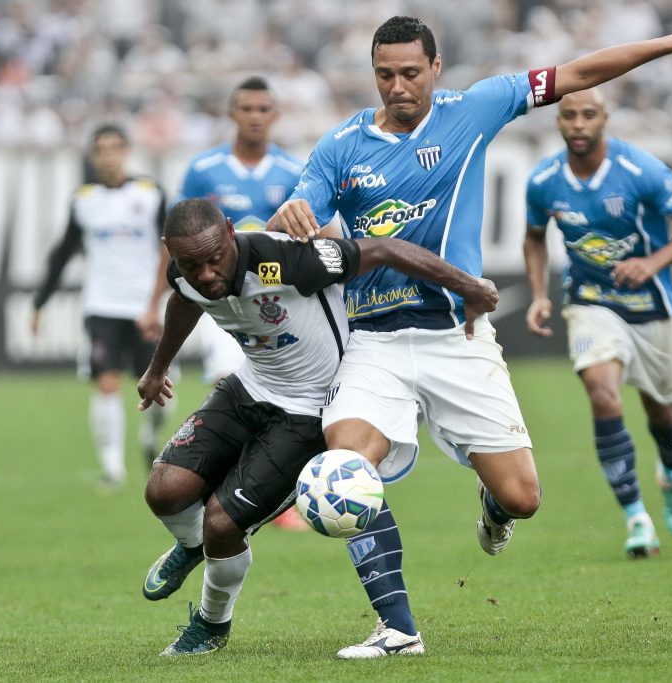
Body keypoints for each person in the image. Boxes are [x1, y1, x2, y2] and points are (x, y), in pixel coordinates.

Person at [270, 15, 672, 657]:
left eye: (410, 73)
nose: (398, 86)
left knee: (523, 498)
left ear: (435, 68)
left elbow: (580, 72)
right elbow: (288, 231)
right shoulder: (341, 147)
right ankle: (398, 629)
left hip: (457, 338)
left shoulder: (477, 107)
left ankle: (493, 503)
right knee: (346, 471)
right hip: (373, 342)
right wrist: (290, 219)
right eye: (385, 75)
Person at [136, 198, 498, 656]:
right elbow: (184, 301)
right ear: (170, 252)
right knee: (162, 491)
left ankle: (211, 625)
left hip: (310, 410)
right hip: (249, 386)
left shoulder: (288, 260)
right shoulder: (184, 274)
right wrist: (157, 367)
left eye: (214, 259)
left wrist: (469, 286)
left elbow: (383, 249)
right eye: (191, 264)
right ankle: (193, 546)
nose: (206, 274)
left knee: (223, 524)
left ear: (230, 232)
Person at [523, 88, 672, 557]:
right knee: (603, 393)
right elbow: (533, 238)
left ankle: (671, 471)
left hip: (650, 305)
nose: (579, 125)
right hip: (590, 302)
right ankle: (636, 518)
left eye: (589, 115)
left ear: (605, 118)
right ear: (559, 123)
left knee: (662, 411)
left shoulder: (639, 170)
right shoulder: (544, 180)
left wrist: (652, 265)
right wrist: (539, 295)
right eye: (569, 116)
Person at [142, 75, 311, 531]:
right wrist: (154, 301)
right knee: (228, 382)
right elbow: (178, 244)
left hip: (278, 306)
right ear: (231, 114)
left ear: (274, 115)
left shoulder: (294, 170)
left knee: (282, 394)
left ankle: (265, 491)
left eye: (263, 109)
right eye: (246, 109)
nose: (254, 117)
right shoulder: (204, 169)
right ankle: (235, 487)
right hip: (225, 308)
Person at [32, 123, 170, 488]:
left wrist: (163, 299)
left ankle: (151, 435)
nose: (107, 156)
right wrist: (40, 302)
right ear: (94, 156)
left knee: (158, 393)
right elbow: (62, 253)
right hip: (102, 305)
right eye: (101, 150)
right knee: (105, 383)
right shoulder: (84, 200)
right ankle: (113, 469)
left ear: (126, 151)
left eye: (114, 148)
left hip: (145, 307)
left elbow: (170, 249)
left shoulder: (151, 193)